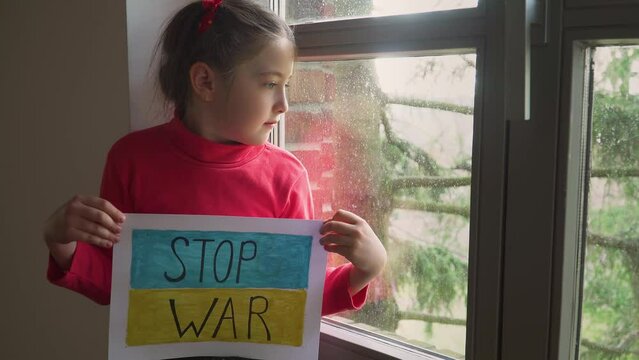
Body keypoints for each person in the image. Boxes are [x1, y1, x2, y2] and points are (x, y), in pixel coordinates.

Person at [44, 0, 386, 345]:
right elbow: (114, 284)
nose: (284, 104)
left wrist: (365, 269)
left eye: (287, 85)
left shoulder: (286, 178)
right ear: (205, 81)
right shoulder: (131, 160)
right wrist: (62, 241)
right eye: (270, 84)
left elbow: (294, 298)